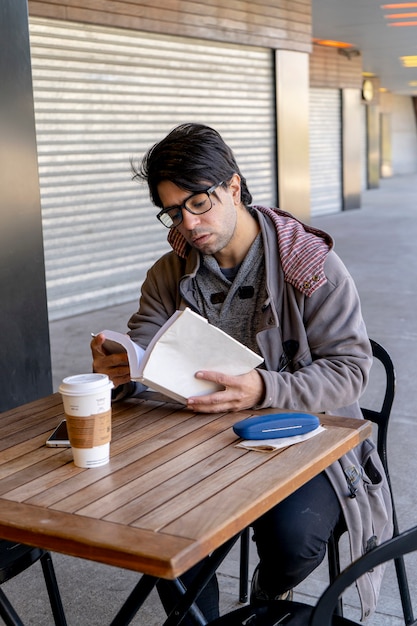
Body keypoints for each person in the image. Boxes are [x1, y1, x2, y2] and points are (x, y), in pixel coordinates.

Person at [91, 123, 393, 622]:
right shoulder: (170, 272)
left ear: (233, 186)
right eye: (172, 210)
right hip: (198, 437)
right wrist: (119, 365)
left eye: (199, 202)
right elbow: (143, 338)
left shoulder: (310, 265)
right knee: (170, 539)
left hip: (301, 434)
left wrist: (263, 388)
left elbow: (350, 371)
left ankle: (269, 592)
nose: (187, 223)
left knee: (295, 543)